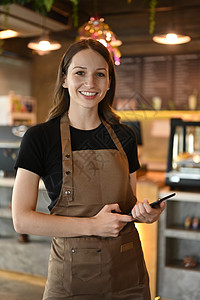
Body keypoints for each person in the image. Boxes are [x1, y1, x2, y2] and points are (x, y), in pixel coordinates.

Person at [12, 38, 165, 300]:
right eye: (80, 73)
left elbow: (126, 206)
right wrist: (93, 225)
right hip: (72, 282)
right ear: (64, 79)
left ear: (109, 83)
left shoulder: (124, 136)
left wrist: (144, 214)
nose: (90, 83)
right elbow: (22, 219)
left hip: (129, 277)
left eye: (100, 75)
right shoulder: (40, 138)